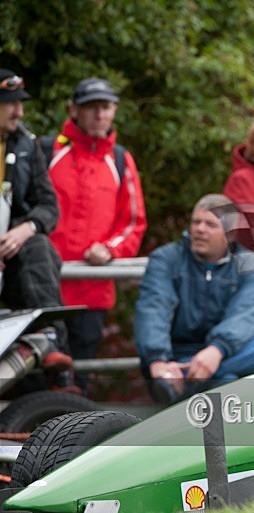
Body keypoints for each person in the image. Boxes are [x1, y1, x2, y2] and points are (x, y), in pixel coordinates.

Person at [134, 194, 254, 404]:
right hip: (174, 359)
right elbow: (154, 307)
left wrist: (216, 350)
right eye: (196, 222)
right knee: (227, 381)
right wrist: (157, 361)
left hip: (224, 354)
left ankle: (188, 380)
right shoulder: (166, 259)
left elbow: (247, 312)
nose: (200, 229)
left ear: (229, 235)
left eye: (210, 224)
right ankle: (185, 377)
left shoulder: (249, 265)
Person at [46, 78, 147, 389]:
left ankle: (74, 437)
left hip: (92, 292)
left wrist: (110, 249)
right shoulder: (47, 150)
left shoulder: (120, 159)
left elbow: (133, 221)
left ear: (114, 111)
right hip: (44, 288)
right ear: (73, 110)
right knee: (37, 378)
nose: (99, 115)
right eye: (91, 107)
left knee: (81, 374)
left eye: (105, 107)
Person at [0, 68, 72, 376]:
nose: (20, 111)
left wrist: (22, 230)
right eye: (10, 103)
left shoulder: (28, 145)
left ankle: (53, 347)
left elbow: (48, 206)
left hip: (12, 261)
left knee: (39, 245)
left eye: (20, 102)